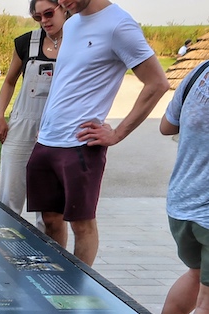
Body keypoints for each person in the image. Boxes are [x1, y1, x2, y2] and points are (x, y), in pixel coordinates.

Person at [25, 0, 169, 266]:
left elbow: (157, 83)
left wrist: (118, 133)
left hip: (80, 144)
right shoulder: (73, 23)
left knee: (82, 225)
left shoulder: (119, 25)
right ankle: (56, 283)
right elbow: (65, 79)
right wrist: (45, 125)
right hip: (47, 141)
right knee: (50, 219)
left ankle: (76, 294)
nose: (62, 2)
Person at [0, 0, 69, 232]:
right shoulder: (26, 43)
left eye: (48, 13)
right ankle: (3, 252)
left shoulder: (78, 43)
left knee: (48, 209)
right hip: (21, 126)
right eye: (38, 17)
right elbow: (9, 81)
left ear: (63, 7)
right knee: (10, 198)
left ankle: (44, 258)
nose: (44, 21)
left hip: (57, 131)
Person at [159, 61, 209, 314]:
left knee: (195, 274)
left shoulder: (200, 71)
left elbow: (167, 126)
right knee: (207, 306)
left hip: (181, 204)